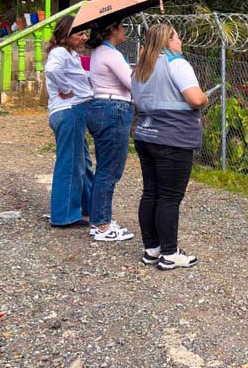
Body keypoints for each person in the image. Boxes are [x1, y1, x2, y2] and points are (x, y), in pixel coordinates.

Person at [131, 23, 207, 271]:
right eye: (177, 38)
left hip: (145, 134)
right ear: (167, 41)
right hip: (173, 138)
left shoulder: (141, 66)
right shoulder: (177, 64)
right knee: (170, 197)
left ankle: (151, 249)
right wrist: (205, 98)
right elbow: (195, 99)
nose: (180, 42)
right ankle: (170, 253)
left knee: (151, 192)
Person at [84, 22, 134, 242]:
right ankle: (102, 225)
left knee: (104, 167)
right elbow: (133, 83)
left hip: (100, 108)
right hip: (114, 108)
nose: (124, 30)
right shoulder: (111, 54)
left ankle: (99, 219)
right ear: (112, 29)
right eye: (121, 26)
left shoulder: (98, 52)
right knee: (110, 170)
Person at [44, 16, 94, 227]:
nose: (83, 38)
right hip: (69, 111)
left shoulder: (70, 54)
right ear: (66, 34)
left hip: (72, 112)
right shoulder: (60, 53)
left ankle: (88, 205)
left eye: (85, 34)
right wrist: (66, 89)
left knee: (82, 161)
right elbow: (52, 70)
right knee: (71, 164)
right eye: (79, 34)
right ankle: (64, 215)